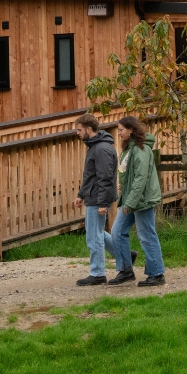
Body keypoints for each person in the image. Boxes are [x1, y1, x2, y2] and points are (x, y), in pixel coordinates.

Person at [108, 116, 166, 287]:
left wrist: (130, 203)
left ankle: (157, 274)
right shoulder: (129, 149)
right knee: (117, 232)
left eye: (121, 130)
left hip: (141, 200)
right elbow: (128, 174)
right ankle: (126, 270)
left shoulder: (141, 149)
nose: (119, 134)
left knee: (147, 236)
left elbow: (140, 179)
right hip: (131, 199)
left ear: (131, 130)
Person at [73, 113, 118, 286]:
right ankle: (126, 255)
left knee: (94, 236)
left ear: (88, 129)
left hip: (98, 198)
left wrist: (102, 203)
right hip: (92, 196)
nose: (77, 133)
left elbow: (104, 178)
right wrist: (80, 194)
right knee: (98, 232)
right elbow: (90, 176)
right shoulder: (94, 147)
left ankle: (98, 273)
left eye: (79, 130)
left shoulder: (101, 149)